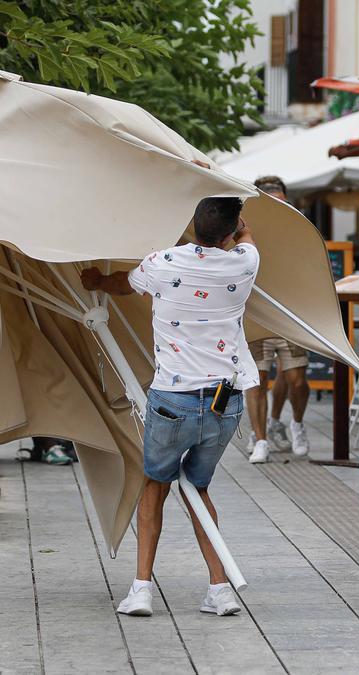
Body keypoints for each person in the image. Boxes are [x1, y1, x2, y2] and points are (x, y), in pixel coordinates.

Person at [81, 196, 258, 618]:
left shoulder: (162, 263)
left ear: (190, 226)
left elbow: (124, 283)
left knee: (155, 487)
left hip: (172, 402)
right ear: (231, 232)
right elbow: (246, 234)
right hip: (224, 403)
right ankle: (219, 590)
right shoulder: (244, 264)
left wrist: (97, 281)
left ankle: (141, 589)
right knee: (197, 489)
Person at [244, 176, 311, 462]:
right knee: (257, 379)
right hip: (257, 314)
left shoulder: (298, 231)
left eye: (283, 204)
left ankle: (294, 422)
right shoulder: (244, 233)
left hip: (289, 314)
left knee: (295, 377)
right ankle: (260, 439)